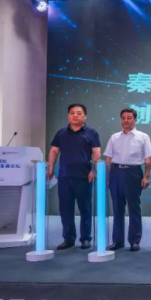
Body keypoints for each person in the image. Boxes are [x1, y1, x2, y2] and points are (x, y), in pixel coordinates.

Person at [47, 104, 101, 250]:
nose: (75, 116)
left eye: (79, 113)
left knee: (85, 208)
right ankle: (68, 238)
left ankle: (85, 238)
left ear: (85, 116)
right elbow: (54, 150)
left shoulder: (91, 133)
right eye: (72, 113)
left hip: (84, 176)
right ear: (68, 115)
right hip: (64, 176)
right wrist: (51, 167)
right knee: (65, 209)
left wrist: (93, 170)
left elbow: (96, 152)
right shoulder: (61, 133)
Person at [104, 108, 151, 252]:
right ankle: (118, 241)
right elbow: (108, 158)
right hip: (115, 173)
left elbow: (148, 158)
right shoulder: (114, 137)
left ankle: (134, 241)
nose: (126, 120)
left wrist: (146, 176)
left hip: (133, 173)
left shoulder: (143, 137)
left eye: (129, 118)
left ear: (135, 119)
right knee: (117, 208)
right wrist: (107, 177)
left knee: (134, 208)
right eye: (123, 118)